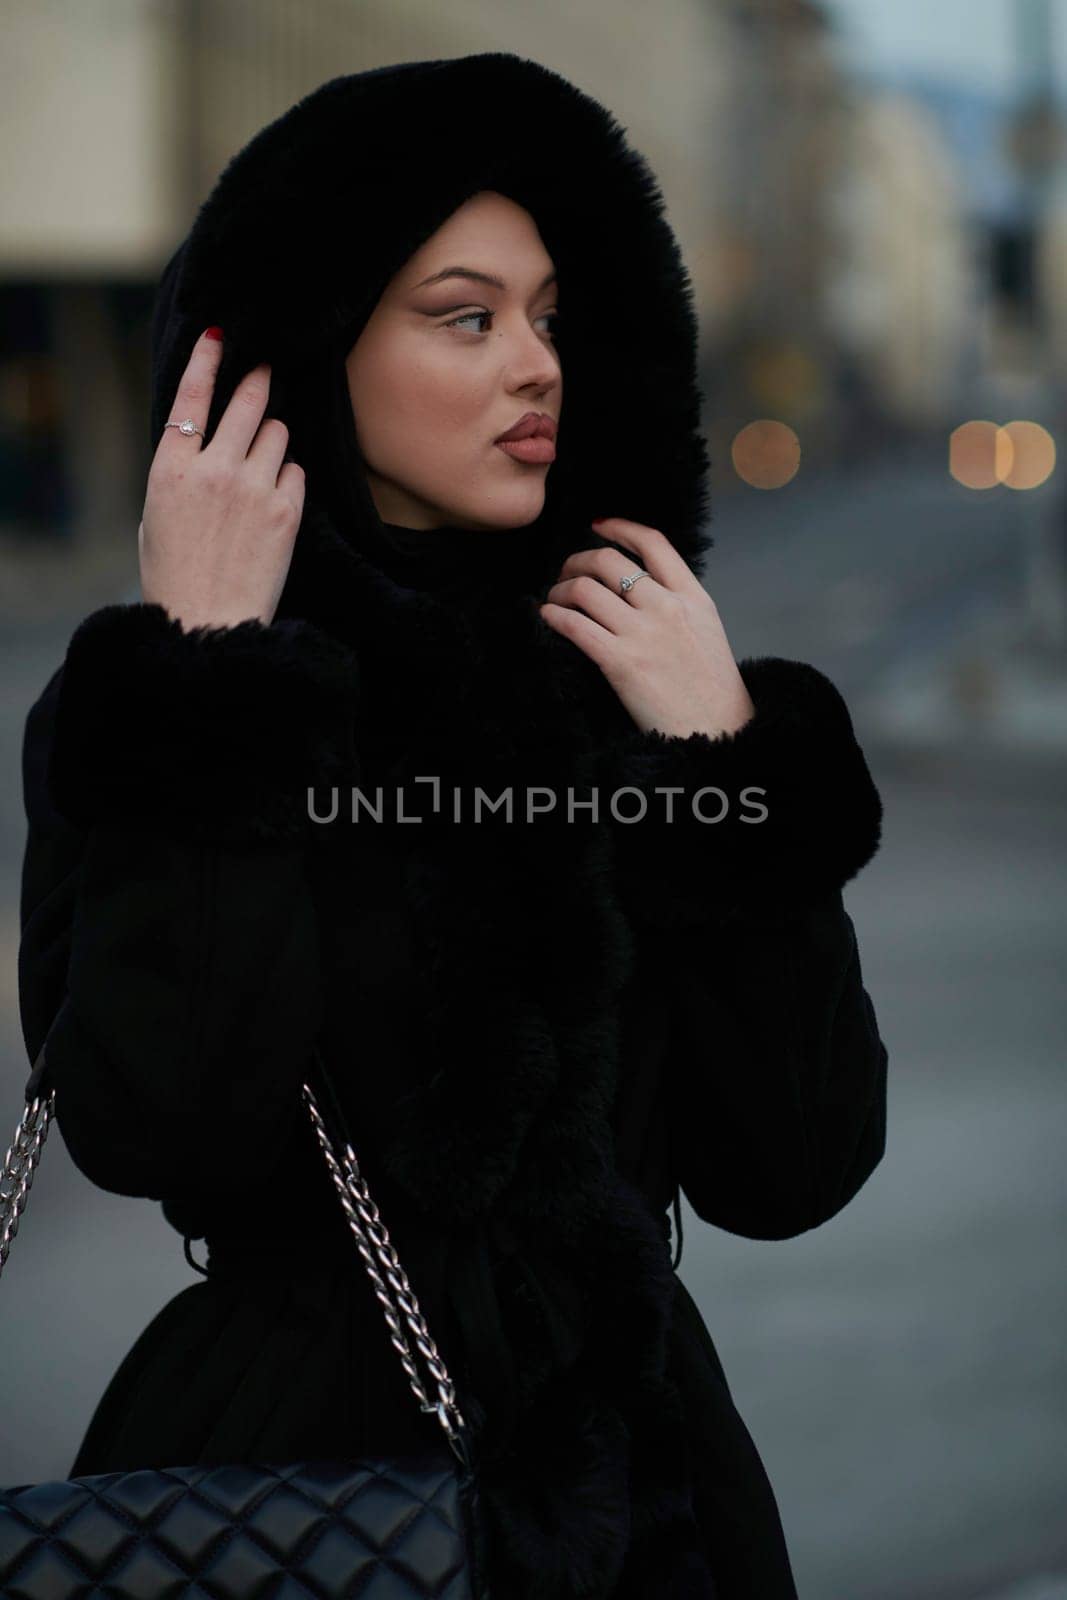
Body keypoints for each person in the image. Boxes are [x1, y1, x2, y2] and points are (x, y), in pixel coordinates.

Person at [17, 53, 889, 1600]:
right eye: (465, 315)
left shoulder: (633, 681)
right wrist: (215, 681)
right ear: (309, 347)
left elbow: (796, 1167)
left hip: (651, 1488)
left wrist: (717, 763)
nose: (538, 362)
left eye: (551, 315)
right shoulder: (160, 708)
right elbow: (161, 1127)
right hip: (286, 1493)